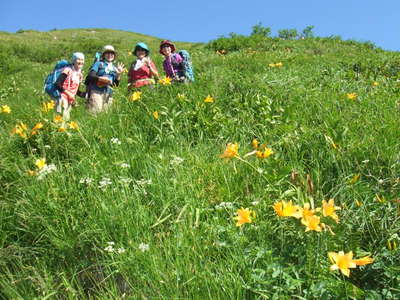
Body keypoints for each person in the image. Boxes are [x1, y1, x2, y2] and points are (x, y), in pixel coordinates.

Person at [86, 45, 124, 113]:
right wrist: (101, 79)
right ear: (103, 55)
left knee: (105, 115)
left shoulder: (114, 68)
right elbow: (91, 75)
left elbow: (115, 85)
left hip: (109, 94)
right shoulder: (99, 64)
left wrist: (118, 74)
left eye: (112, 53)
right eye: (107, 53)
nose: (110, 55)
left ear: (114, 56)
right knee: (95, 113)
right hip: (96, 92)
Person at [55, 52, 85, 121]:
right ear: (73, 61)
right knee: (61, 119)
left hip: (70, 100)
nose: (81, 62)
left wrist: (86, 94)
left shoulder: (79, 74)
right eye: (78, 59)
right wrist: (69, 94)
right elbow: (57, 84)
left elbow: (76, 91)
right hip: (62, 98)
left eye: (82, 60)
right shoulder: (67, 70)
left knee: (66, 119)